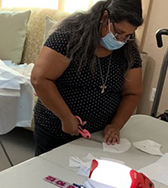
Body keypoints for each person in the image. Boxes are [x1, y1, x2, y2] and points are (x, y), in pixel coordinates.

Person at [31, 0, 144, 156]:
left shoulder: (128, 50)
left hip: (99, 138)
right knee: (51, 176)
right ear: (105, 18)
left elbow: (133, 92)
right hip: (56, 129)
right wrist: (65, 116)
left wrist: (116, 125)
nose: (120, 40)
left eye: (127, 35)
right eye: (118, 33)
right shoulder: (69, 36)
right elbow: (40, 79)